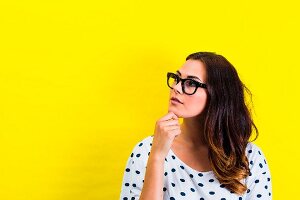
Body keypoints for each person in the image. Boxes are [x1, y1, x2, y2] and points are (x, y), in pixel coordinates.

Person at [120, 52, 272, 200]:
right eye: (177, 79)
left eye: (191, 83)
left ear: (217, 94)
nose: (176, 88)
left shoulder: (249, 158)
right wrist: (157, 157)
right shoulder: (146, 151)